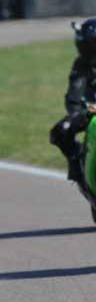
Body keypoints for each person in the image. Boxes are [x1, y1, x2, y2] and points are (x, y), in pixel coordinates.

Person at [49, 18, 96, 183]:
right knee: (60, 132)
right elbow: (74, 95)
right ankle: (76, 162)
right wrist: (78, 112)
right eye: (93, 44)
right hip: (90, 112)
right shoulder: (81, 65)